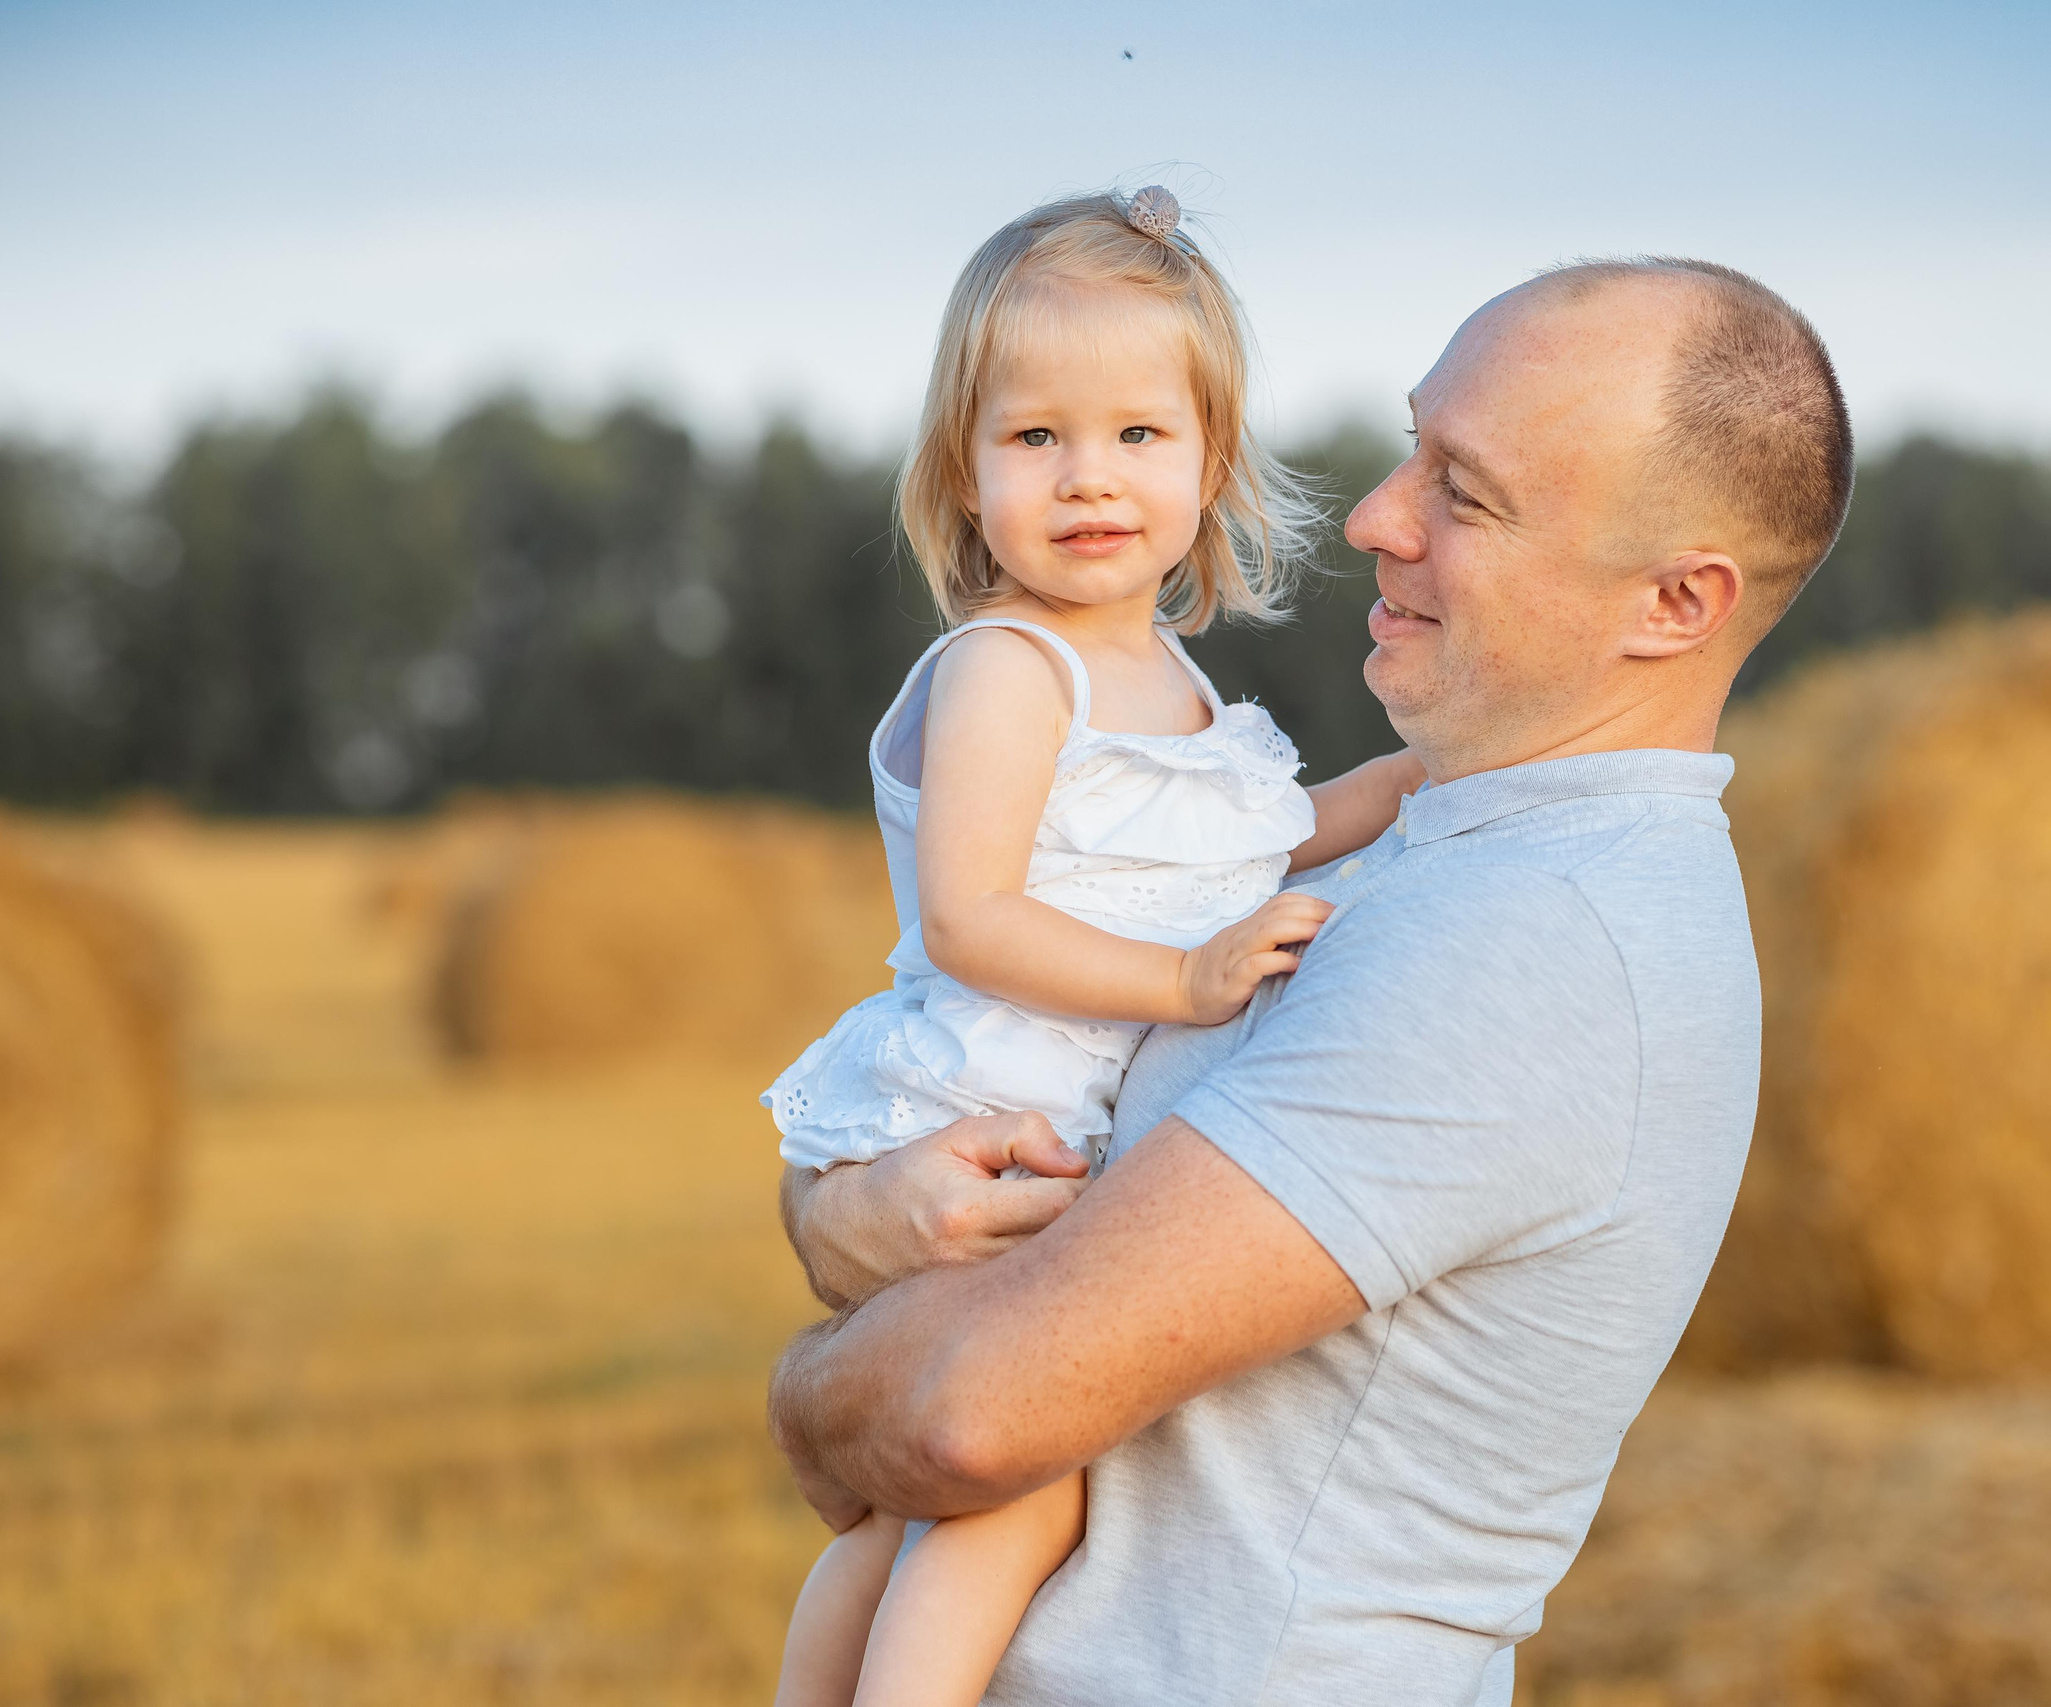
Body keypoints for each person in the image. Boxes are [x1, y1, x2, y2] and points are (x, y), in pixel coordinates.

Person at [769, 253, 1853, 1705]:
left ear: (1672, 601)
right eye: (1413, 449)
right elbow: (976, 1120)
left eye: (1463, 493)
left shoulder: (1540, 944)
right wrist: (851, 1217)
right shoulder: (1421, 861)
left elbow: (970, 1418)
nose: (1373, 517)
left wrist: (811, 1385)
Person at [760, 187, 1425, 1706]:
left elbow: (1233, 847)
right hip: (987, 1119)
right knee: (1024, 1487)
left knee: (925, 1506)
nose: (1089, 478)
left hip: (1065, 1130)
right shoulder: (1010, 668)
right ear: (963, 469)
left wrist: (1399, 789)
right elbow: (973, 916)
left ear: (1211, 461)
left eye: (1138, 436)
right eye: (1035, 437)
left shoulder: (1175, 682)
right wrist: (1182, 987)